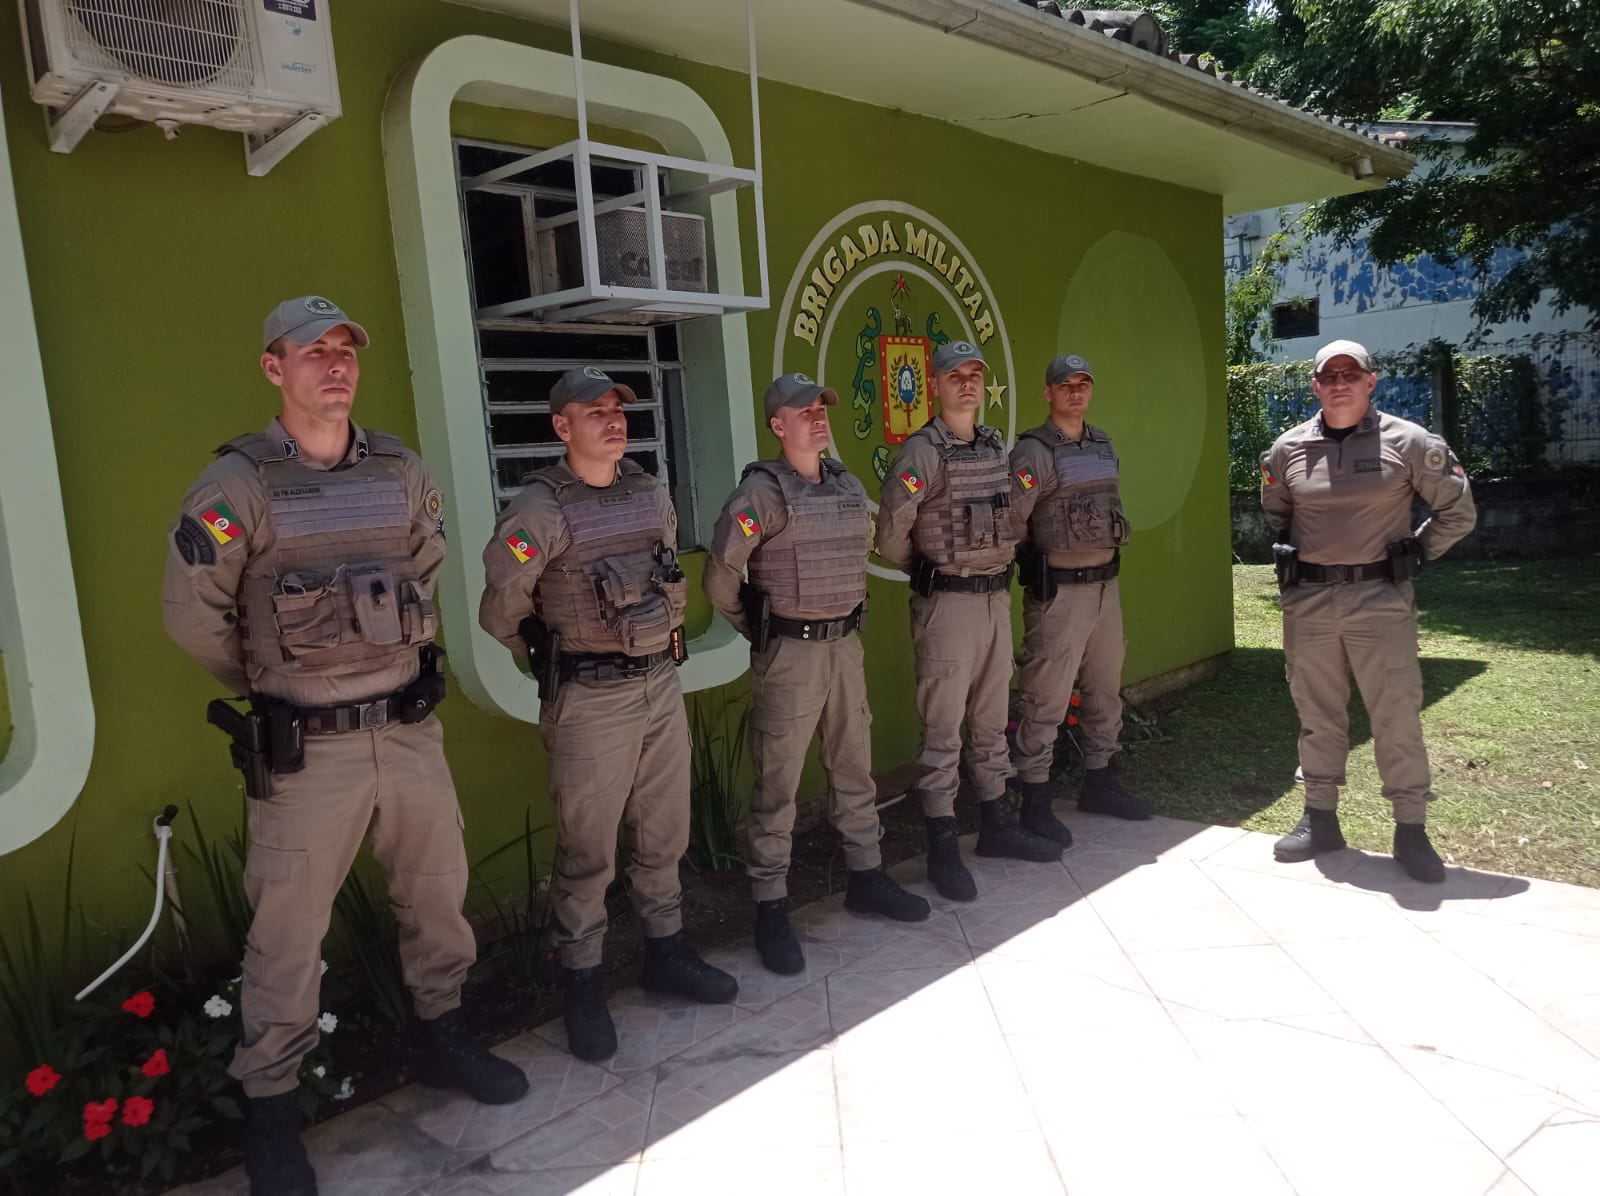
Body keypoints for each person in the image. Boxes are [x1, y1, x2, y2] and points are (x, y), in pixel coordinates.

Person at [163, 296, 527, 1196]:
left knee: (437, 899)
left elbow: (427, 568)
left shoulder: (401, 469)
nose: (335, 365)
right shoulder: (238, 485)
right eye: (311, 352)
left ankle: (442, 1035)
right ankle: (273, 1105)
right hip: (305, 751)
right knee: (287, 935)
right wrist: (271, 682)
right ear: (272, 369)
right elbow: (191, 616)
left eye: (344, 351)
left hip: (406, 733)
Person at [479, 366, 736, 1063]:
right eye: (594, 412)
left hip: (658, 685)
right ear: (562, 427)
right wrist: (559, 659)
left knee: (665, 832)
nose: (613, 421)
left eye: (618, 409)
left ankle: (666, 951)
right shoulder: (537, 511)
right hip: (590, 700)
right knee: (587, 850)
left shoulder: (650, 494)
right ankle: (582, 983)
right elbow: (502, 610)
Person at [703, 373, 931, 975]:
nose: (818, 417)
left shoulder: (847, 484)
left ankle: (866, 875)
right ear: (778, 426)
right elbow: (722, 577)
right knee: (776, 784)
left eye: (821, 408)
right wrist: (759, 630)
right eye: (804, 412)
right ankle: (770, 907)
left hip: (843, 645)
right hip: (791, 655)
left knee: (854, 766)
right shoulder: (761, 494)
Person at [1260, 339, 1477, 882]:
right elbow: (1276, 515)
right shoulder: (1287, 450)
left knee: (1395, 715)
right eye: (1327, 375)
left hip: (1380, 601)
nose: (1338, 383)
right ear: (1314, 385)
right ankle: (1321, 819)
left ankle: (1410, 830)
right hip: (1309, 604)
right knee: (1317, 714)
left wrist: (1417, 552)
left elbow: (1458, 510)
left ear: (1370, 381)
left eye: (1349, 373)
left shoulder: (1409, 443)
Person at [875, 340, 1062, 902]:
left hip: (993, 602)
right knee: (942, 734)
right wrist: (934, 571)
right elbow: (889, 539)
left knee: (988, 721)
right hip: (949, 607)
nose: (967, 383)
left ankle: (997, 826)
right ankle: (942, 847)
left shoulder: (992, 446)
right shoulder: (922, 454)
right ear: (934, 384)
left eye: (975, 374)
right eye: (955, 375)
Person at [1009, 353, 1152, 835]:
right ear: (1048, 392)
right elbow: (1013, 522)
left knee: (1104, 690)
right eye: (1065, 385)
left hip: (1105, 589)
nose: (1075, 391)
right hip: (1060, 595)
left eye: (1083, 383)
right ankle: (1034, 796)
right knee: (1045, 698)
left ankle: (1101, 780)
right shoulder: (1032, 452)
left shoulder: (1103, 443)